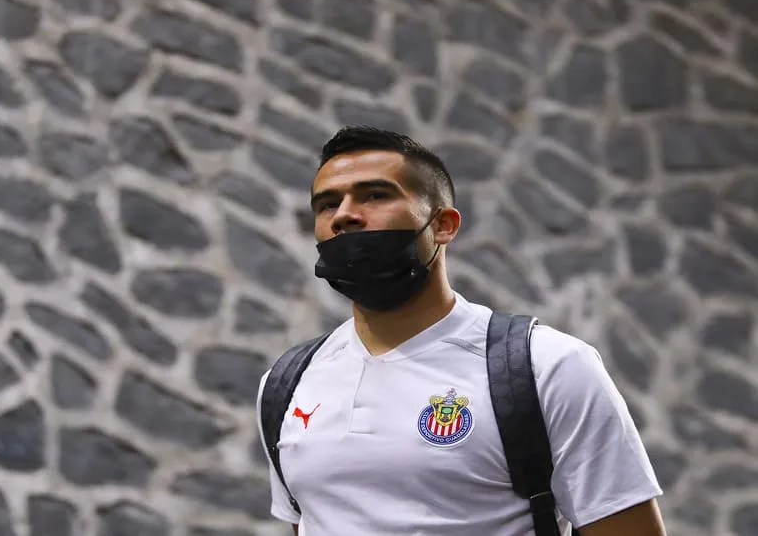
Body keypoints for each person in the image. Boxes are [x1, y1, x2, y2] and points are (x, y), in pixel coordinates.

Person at [254, 126, 667, 536]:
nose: (344, 214)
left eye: (375, 195)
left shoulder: (547, 367)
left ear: (443, 225)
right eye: (327, 204)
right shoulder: (287, 385)